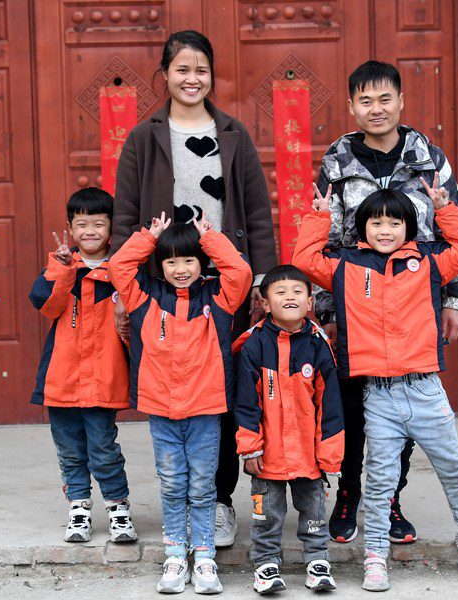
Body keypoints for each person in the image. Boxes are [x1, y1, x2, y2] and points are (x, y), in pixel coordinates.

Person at [112, 30, 277, 548]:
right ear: (165, 75)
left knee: (220, 393)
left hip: (222, 284)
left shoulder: (233, 133)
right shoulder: (144, 137)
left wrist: (264, 279)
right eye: (182, 69)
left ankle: (219, 501)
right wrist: (123, 291)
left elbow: (256, 212)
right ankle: (179, 506)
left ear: (212, 75)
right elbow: (123, 217)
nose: (192, 79)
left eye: (201, 69)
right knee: (171, 394)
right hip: (163, 286)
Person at [293, 181, 458, 591]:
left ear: (409, 227)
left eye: (395, 222)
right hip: (378, 394)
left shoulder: (429, 262)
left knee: (453, 469)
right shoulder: (345, 266)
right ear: (361, 228)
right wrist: (319, 217)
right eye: (376, 222)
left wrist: (445, 209)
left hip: (426, 390)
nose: (385, 230)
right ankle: (376, 557)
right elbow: (304, 259)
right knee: (379, 479)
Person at [314, 60, 458, 546]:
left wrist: (454, 300)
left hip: (415, 303)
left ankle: (389, 499)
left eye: (385, 99)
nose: (376, 109)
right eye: (365, 100)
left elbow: (454, 226)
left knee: (402, 405)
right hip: (354, 304)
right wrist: (327, 313)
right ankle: (348, 495)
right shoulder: (337, 160)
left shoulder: (429, 157)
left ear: (401, 102)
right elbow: (323, 236)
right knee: (354, 408)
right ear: (351, 107)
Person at [109, 211, 252, 594]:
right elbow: (120, 266)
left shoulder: (217, 298)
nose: (180, 268)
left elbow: (240, 273)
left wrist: (210, 238)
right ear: (161, 264)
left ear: (201, 262)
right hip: (162, 409)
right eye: (171, 261)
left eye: (189, 260)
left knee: (203, 486)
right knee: (172, 484)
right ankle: (175, 555)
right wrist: (149, 237)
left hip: (206, 410)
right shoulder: (144, 296)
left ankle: (204, 558)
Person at [27, 187, 137, 545]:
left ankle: (118, 509)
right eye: (82, 224)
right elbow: (45, 304)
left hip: (103, 378)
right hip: (61, 380)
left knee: (104, 448)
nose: (90, 232)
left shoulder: (121, 270)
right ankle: (79, 508)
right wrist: (59, 268)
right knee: (70, 450)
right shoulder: (62, 267)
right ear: (70, 229)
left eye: (99, 224)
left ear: (111, 228)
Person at [233, 265, 344, 594]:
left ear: (310, 301)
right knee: (265, 512)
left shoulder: (318, 345)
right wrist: (249, 446)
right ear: (266, 304)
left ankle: (317, 559)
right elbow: (245, 403)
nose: (290, 297)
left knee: (313, 509)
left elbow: (331, 406)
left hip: (309, 454)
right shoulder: (255, 345)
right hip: (267, 454)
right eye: (280, 292)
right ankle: (266, 562)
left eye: (297, 291)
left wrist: (329, 453)